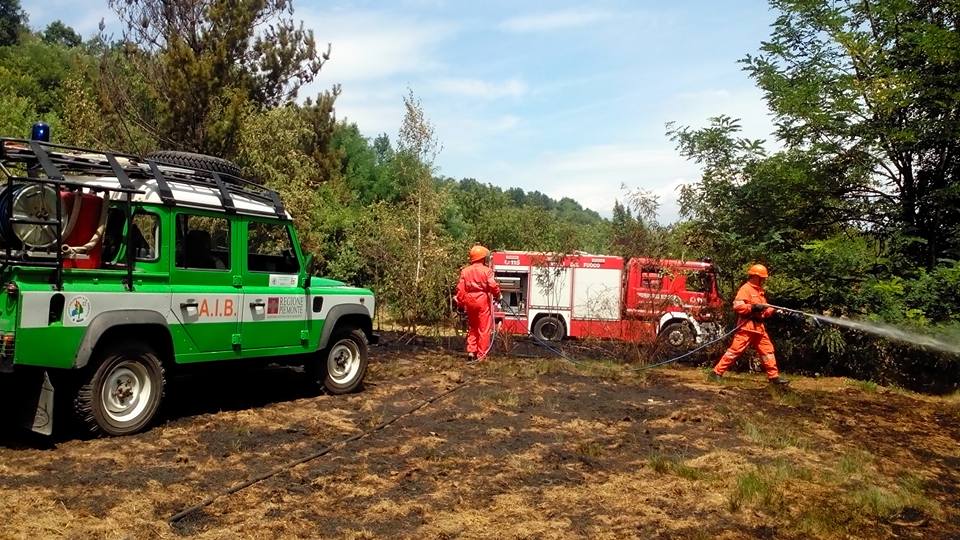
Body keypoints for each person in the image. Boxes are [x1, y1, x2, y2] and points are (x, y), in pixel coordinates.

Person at [710, 264, 788, 385]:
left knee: (768, 352)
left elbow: (765, 310)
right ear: (755, 276)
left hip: (759, 328)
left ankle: (774, 377)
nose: (763, 280)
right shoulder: (745, 289)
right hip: (746, 327)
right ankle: (716, 373)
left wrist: (775, 311)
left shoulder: (760, 291)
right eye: (762, 278)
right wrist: (752, 307)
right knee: (735, 350)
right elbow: (738, 306)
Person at [455, 245, 501, 363]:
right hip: (482, 300)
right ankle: (481, 355)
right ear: (482, 258)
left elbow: (460, 289)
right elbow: (492, 285)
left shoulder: (465, 271)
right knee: (484, 329)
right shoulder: (487, 271)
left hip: (469, 300)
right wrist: (497, 295)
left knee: (472, 327)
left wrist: (461, 303)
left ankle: (471, 351)